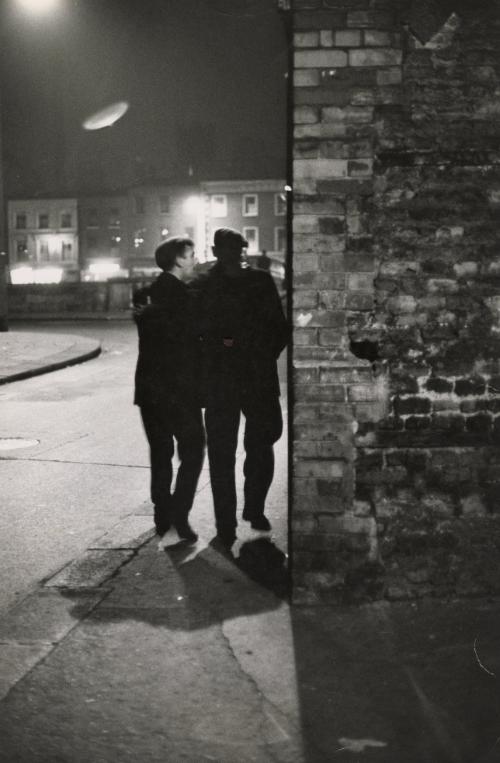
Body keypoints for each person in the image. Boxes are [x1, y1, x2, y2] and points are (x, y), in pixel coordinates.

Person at [197, 227, 289, 549]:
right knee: (255, 446)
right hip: (251, 375)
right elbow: (278, 329)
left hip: (229, 377)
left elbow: (201, 335)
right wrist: (255, 349)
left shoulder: (207, 285)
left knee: (234, 450)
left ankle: (233, 518)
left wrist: (232, 345)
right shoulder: (257, 282)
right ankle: (248, 511)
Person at [133, 236, 205, 543]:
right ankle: (179, 513)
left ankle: (162, 515)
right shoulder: (185, 299)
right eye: (191, 256)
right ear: (178, 259)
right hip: (178, 389)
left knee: (160, 453)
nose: (195, 261)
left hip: (149, 388)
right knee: (193, 450)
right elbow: (203, 341)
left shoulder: (147, 295)